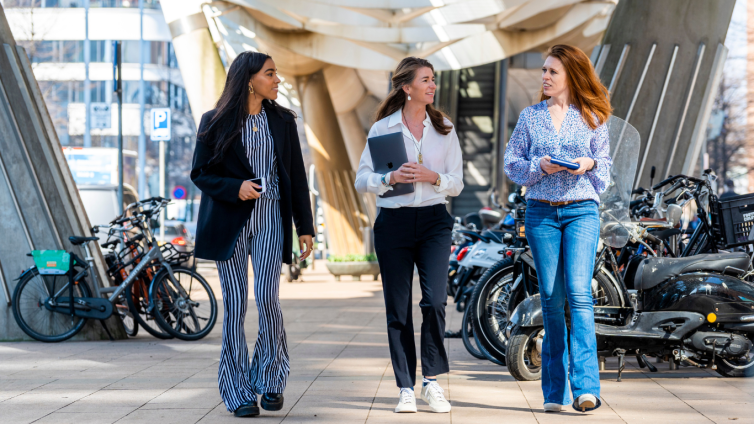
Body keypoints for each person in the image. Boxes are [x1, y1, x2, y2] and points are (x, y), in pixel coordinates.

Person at [190, 51, 314, 418]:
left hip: (270, 217)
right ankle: (237, 391)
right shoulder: (214, 121)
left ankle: (272, 378)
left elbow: (296, 175)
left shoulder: (283, 121)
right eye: (270, 74)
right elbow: (201, 173)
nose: (278, 80)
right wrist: (235, 188)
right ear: (249, 79)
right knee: (235, 306)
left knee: (268, 298)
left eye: (276, 74)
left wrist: (304, 226)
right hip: (230, 221)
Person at [504, 44, 613, 413]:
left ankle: (586, 387)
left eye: (552, 71)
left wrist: (589, 162)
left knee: (580, 295)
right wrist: (540, 167)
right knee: (551, 300)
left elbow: (606, 170)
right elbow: (511, 164)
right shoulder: (530, 117)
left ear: (571, 75)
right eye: (544, 71)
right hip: (541, 215)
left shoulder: (594, 116)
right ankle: (554, 393)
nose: (545, 77)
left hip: (582, 210)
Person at [354, 57, 463, 414]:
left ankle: (431, 382)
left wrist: (434, 177)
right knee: (397, 309)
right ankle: (405, 386)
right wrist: (389, 179)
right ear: (407, 87)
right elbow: (362, 178)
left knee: (434, 303)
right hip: (394, 222)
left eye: (433, 80)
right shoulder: (383, 129)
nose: (433, 86)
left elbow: (457, 183)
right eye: (426, 80)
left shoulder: (444, 128)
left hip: (434, 221)